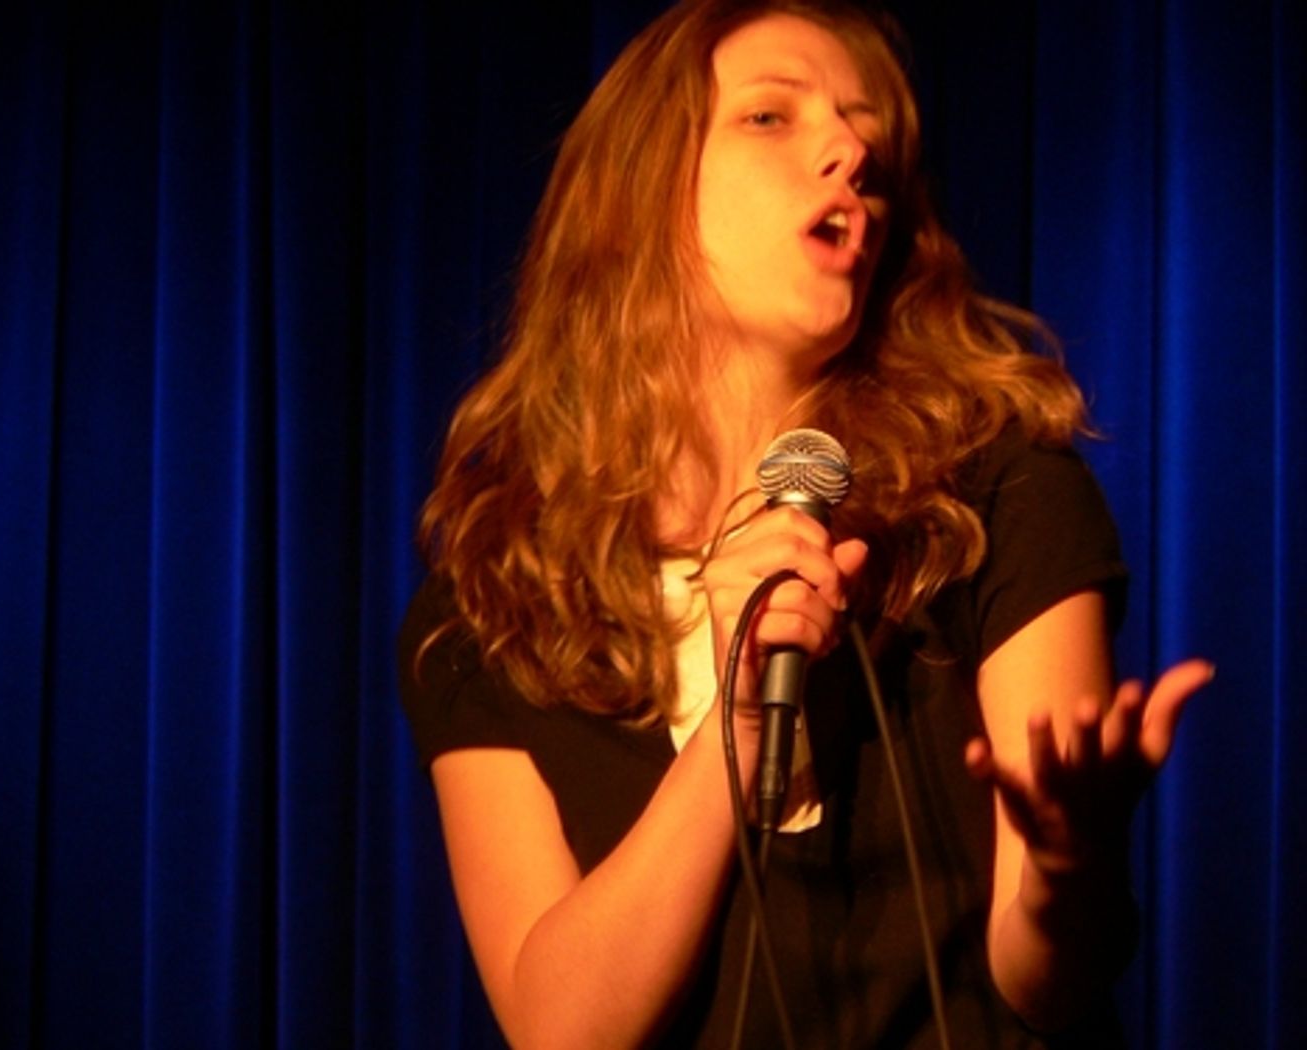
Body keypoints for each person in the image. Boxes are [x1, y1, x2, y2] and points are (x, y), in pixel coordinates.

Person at [397, 1, 1214, 1046]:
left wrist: (1066, 872)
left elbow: (1044, 985)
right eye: (770, 116)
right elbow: (563, 1030)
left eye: (864, 134)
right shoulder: (487, 607)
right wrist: (733, 736)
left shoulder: (998, 500)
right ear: (642, 189)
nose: (849, 152)